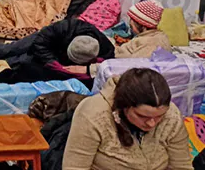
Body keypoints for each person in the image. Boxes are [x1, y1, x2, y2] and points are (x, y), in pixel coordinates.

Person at [63, 68, 192, 170]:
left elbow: (181, 166)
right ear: (124, 106)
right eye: (142, 116)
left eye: (159, 116)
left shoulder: (171, 115)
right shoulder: (94, 114)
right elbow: (75, 167)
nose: (152, 123)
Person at [0, 17, 115, 86]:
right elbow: (40, 43)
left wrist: (87, 69)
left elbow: (109, 68)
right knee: (12, 49)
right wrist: (52, 62)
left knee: (20, 63)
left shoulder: (105, 48)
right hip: (47, 42)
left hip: (59, 55)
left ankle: (1, 69)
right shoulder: (66, 27)